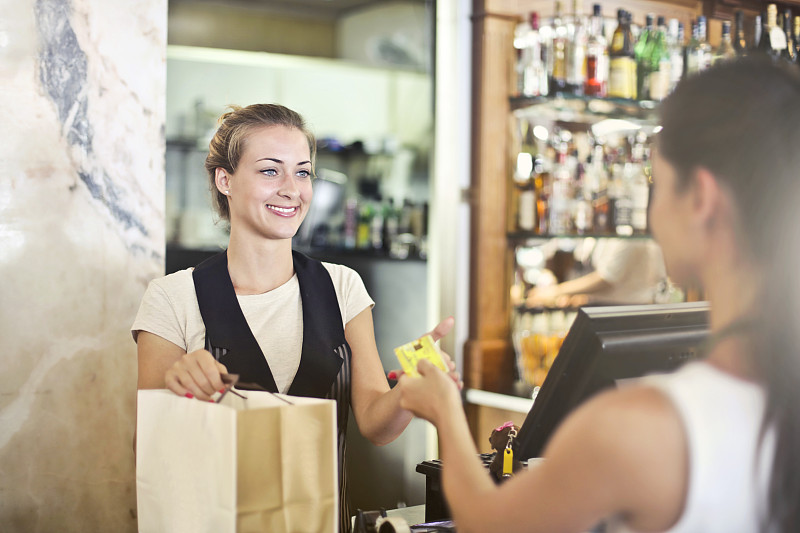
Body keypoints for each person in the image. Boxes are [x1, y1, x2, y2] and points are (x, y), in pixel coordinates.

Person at [398, 56, 800, 532]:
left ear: (699, 199)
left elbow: (490, 525)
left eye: (657, 184)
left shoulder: (640, 428)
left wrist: (444, 410)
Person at [131, 103, 458, 532]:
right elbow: (150, 450)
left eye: (302, 172)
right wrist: (180, 391)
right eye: (270, 171)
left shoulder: (343, 288)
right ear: (224, 179)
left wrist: (409, 393)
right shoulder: (172, 298)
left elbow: (377, 425)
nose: (292, 189)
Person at [522, 238, 667, 308]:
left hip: (631, 311)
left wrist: (556, 291)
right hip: (607, 308)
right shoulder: (604, 234)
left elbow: (607, 279)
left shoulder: (627, 234)